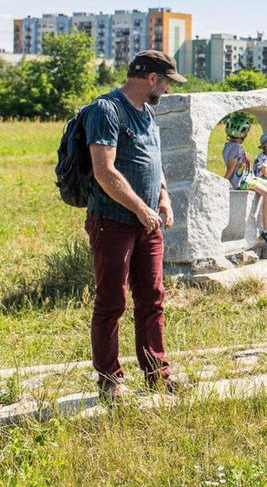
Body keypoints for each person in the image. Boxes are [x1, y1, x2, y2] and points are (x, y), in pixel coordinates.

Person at [84, 50, 186, 400]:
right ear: (151, 78)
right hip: (112, 223)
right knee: (112, 301)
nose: (169, 90)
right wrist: (142, 209)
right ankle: (110, 381)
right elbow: (104, 171)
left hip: (148, 223)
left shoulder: (148, 114)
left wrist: (163, 198)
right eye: (168, 82)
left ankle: (157, 372)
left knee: (153, 298)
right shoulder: (106, 110)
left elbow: (153, 163)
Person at [222, 115, 267, 245]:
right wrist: (224, 183)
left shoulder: (231, 146)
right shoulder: (235, 148)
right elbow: (231, 168)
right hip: (242, 181)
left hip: (249, 177)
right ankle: (266, 230)